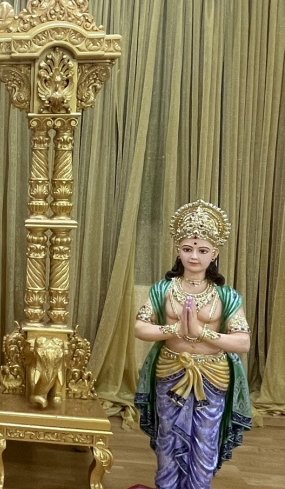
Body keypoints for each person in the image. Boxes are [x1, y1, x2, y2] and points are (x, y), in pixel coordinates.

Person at [134, 200, 251, 489]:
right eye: (187, 249)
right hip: (170, 371)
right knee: (167, 440)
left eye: (202, 250)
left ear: (215, 253)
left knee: (205, 443)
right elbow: (140, 327)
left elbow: (243, 342)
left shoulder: (226, 296)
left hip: (214, 376)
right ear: (178, 250)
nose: (194, 257)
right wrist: (174, 328)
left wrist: (202, 332)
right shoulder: (163, 289)